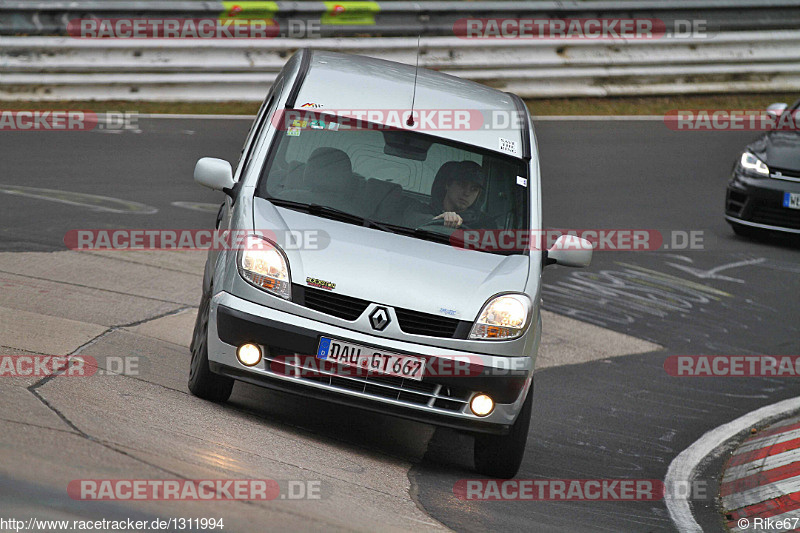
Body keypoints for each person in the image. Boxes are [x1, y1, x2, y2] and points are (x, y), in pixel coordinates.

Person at [405, 160, 486, 229]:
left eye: (474, 189)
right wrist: (436, 220)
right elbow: (408, 220)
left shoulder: (483, 226)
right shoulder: (420, 211)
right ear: (448, 184)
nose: (467, 193)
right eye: (462, 185)